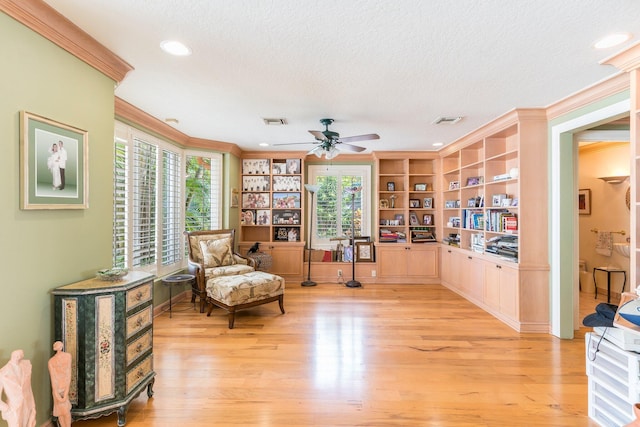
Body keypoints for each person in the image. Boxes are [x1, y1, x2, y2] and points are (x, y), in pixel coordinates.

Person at [0, 349, 36, 427]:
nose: (18, 357)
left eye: (20, 356)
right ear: (13, 356)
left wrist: (32, 406)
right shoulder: (3, 372)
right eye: (17, 356)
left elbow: (29, 389)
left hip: (27, 405)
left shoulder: (25, 367)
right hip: (13, 408)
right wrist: (6, 409)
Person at [48, 341, 72, 427]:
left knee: (65, 411)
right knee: (60, 412)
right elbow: (53, 378)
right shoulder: (51, 361)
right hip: (58, 387)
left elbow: (68, 374)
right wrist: (56, 393)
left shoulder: (67, 356)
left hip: (63, 386)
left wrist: (65, 393)